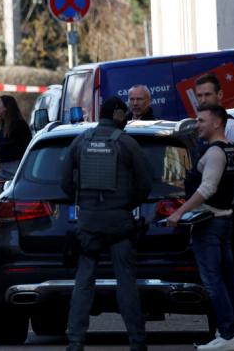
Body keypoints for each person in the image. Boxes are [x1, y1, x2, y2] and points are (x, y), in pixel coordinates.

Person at [60, 96, 153, 351]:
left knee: (84, 282)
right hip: (120, 224)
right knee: (126, 282)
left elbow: (65, 181)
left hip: (88, 222)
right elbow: (145, 184)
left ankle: (76, 340)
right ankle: (137, 341)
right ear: (119, 116)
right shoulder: (127, 143)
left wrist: (84, 204)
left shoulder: (80, 141)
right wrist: (127, 204)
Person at [168, 104, 234, 351]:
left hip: (209, 223)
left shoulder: (215, 153)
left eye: (202, 120)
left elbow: (207, 189)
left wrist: (180, 212)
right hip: (224, 221)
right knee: (231, 279)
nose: (198, 125)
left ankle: (225, 335)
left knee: (214, 281)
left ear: (217, 123)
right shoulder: (233, 151)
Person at [194, 73, 234, 296]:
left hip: (230, 209)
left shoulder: (231, 128)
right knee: (221, 274)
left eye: (208, 94)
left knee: (231, 272)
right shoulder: (203, 125)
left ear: (220, 95)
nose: (204, 99)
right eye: (199, 95)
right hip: (211, 212)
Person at [0, 95, 31, 193]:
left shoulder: (19, 125)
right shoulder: (1, 127)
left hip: (15, 171)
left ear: (6, 107)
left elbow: (26, 149)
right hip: (3, 170)